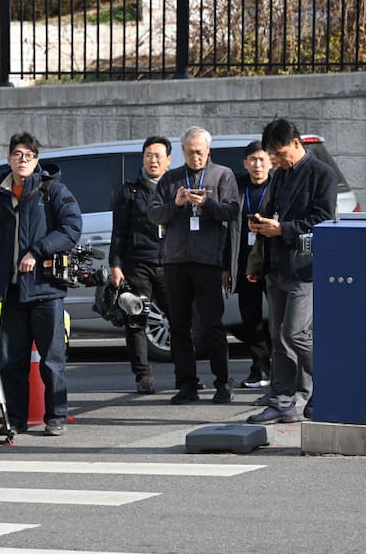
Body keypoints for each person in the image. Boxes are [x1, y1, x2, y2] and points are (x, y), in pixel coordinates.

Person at [0, 132, 82, 436]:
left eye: (28, 155)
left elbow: (72, 228)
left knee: (52, 359)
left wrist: (37, 251)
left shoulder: (53, 190)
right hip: (12, 291)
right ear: (9, 158)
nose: (22, 160)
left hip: (45, 289)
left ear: (36, 160)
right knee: (11, 361)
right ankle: (15, 418)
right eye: (17, 154)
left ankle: (55, 416)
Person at [246, 118, 337, 424]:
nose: (277, 160)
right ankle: (282, 401)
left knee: (295, 333)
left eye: (280, 153)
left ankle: (329, 386)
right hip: (276, 266)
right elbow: (276, 212)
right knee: (278, 338)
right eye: (273, 155)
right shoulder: (280, 176)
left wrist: (281, 229)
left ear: (297, 144)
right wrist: (262, 224)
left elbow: (323, 221)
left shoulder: (321, 174)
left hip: (305, 268)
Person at [148, 126, 239, 404]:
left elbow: (233, 212)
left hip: (208, 260)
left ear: (208, 150)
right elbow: (153, 214)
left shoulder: (223, 175)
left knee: (212, 324)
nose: (195, 157)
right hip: (176, 261)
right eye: (189, 152)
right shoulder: (171, 178)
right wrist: (175, 205)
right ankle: (186, 383)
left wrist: (208, 203)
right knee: (179, 325)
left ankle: (223, 383)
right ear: (182, 151)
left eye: (199, 152)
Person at [108, 136, 172, 394]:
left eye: (158, 155)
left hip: (169, 263)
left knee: (179, 320)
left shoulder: (176, 188)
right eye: (148, 155)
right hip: (138, 265)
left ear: (168, 160)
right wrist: (115, 265)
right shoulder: (130, 191)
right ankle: (143, 377)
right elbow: (118, 232)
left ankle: (186, 377)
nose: (153, 160)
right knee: (137, 319)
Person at [227, 141, 273, 389]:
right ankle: (259, 369)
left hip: (273, 261)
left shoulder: (278, 186)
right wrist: (227, 267)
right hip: (245, 262)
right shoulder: (237, 187)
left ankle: (281, 367)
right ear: (245, 163)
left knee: (279, 319)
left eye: (262, 159)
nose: (257, 165)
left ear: (270, 162)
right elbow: (227, 231)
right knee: (250, 318)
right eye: (252, 160)